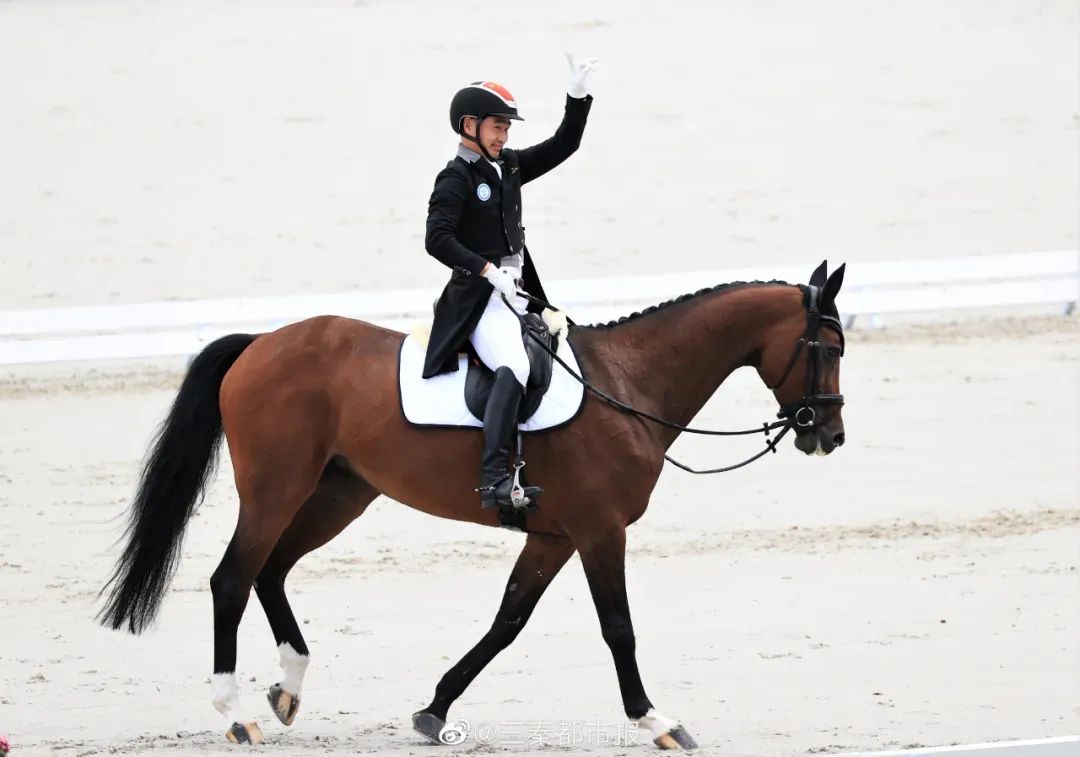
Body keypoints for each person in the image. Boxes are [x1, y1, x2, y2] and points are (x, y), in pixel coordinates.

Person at [422, 53, 597, 510]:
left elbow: (564, 146)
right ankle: (494, 478)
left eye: (507, 128)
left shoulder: (511, 167)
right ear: (469, 126)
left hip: (518, 294)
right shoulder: (455, 178)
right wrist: (484, 270)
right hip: (481, 300)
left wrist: (576, 98)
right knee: (515, 367)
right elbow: (436, 239)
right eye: (497, 126)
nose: (504, 135)